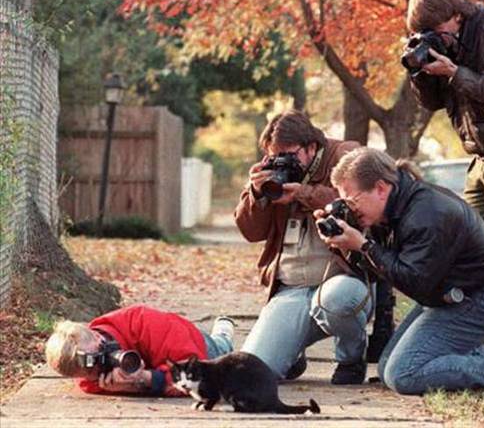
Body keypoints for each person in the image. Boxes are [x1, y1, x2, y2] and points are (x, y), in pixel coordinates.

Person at [319, 146, 484, 394]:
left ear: (381, 189)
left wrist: (365, 246)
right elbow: (378, 273)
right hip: (446, 295)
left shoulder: (427, 213)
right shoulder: (390, 211)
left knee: (404, 373)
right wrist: (346, 245)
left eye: (352, 200)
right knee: (386, 369)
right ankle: (467, 352)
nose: (351, 208)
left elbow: (413, 282)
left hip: (482, 296)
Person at [235, 110, 374, 385]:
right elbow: (251, 232)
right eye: (275, 156)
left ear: (312, 147)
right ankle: (290, 350)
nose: (282, 162)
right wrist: (256, 194)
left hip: (340, 282)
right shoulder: (272, 172)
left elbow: (359, 203)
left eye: (289, 154)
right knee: (253, 373)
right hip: (291, 290)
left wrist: (303, 193)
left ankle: (350, 358)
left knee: (337, 299)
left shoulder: (345, 155)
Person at [406, 0, 484, 240]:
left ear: (457, 15)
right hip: (479, 157)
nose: (431, 37)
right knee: (466, 244)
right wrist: (420, 74)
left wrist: (454, 72)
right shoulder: (448, 42)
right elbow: (432, 103)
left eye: (434, 30)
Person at [45, 304, 234, 396]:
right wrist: (128, 386)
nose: (100, 367)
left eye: (99, 357)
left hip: (196, 347)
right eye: (91, 373)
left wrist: (147, 379)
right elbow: (88, 383)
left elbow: (195, 376)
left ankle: (224, 331)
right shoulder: (85, 371)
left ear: (97, 335)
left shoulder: (142, 322)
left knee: (224, 350)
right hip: (167, 355)